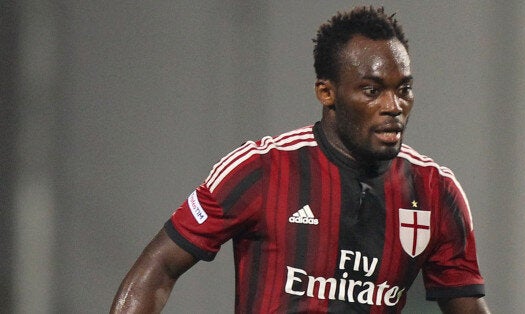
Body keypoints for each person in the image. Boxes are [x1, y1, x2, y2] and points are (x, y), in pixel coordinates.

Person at [111, 6, 490, 313]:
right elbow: (157, 269)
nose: (394, 107)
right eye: (372, 90)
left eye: (403, 89)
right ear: (327, 92)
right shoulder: (259, 170)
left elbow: (468, 308)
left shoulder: (436, 191)